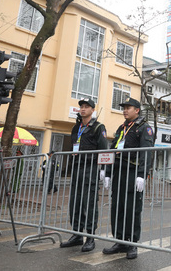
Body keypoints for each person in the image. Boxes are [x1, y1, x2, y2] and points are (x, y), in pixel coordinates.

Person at [102, 97, 154, 260]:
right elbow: (113, 150)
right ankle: (120, 241)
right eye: (124, 108)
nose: (125, 110)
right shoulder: (122, 127)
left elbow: (147, 152)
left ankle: (132, 243)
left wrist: (142, 174)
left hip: (133, 170)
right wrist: (107, 172)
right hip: (119, 171)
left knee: (132, 207)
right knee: (117, 207)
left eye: (128, 107)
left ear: (137, 110)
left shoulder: (144, 128)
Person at [59, 99, 108, 253]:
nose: (83, 109)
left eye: (86, 107)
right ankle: (77, 234)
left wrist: (103, 170)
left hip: (91, 168)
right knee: (75, 202)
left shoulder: (98, 127)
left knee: (89, 203)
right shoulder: (76, 128)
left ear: (92, 110)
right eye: (81, 107)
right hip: (77, 168)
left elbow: (103, 149)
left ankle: (90, 237)